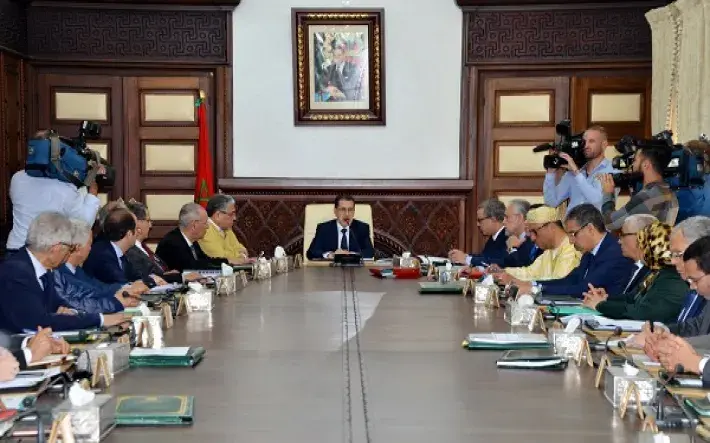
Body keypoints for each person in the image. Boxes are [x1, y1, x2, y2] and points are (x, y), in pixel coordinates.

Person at [0, 212, 129, 332]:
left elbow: (59, 305)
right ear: (56, 248)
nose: (69, 253)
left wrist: (71, 313)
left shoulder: (43, 269)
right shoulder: (17, 272)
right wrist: (100, 320)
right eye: (69, 247)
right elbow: (39, 321)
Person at [6, 132, 102, 255]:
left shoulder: (17, 178)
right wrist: (92, 191)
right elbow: (85, 222)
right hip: (42, 253)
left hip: (15, 248)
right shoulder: (65, 188)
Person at [516, 203, 635, 298]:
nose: (571, 241)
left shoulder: (614, 253)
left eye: (573, 234)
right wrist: (534, 284)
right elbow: (571, 280)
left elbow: (583, 289)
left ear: (590, 229)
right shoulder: (590, 252)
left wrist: (537, 289)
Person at [583, 221, 688, 324]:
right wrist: (605, 299)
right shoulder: (656, 272)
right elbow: (631, 298)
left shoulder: (672, 278)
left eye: (642, 244)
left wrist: (601, 305)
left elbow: (642, 312)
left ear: (653, 248)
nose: (639, 249)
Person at [491, 205, 581, 284]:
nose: (532, 238)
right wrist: (503, 272)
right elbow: (530, 273)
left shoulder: (572, 250)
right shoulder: (549, 251)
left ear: (551, 227)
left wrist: (519, 282)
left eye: (534, 231)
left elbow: (557, 283)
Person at [599, 145, 679, 230]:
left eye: (635, 160)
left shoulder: (646, 196)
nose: (632, 165)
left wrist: (608, 193)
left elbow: (610, 222)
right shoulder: (667, 190)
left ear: (646, 165)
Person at [543, 125, 617, 214]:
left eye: (591, 141)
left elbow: (598, 201)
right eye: (584, 142)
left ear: (604, 145)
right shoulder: (572, 172)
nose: (586, 145)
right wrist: (550, 172)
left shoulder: (612, 169)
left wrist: (576, 172)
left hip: (595, 223)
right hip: (570, 222)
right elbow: (551, 202)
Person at [156, 203, 233, 272]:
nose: (207, 226)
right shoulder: (172, 243)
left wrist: (228, 261)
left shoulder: (192, 241)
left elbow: (206, 261)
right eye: (205, 223)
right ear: (194, 225)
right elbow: (193, 268)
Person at [306, 195, 374, 260]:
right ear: (335, 211)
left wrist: (351, 254)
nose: (347, 214)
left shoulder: (362, 228)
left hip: (354, 267)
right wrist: (331, 255)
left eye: (350, 210)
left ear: (354, 211)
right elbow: (311, 252)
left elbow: (370, 252)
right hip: (330, 267)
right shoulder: (324, 228)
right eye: (343, 209)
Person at [448, 198, 508, 267]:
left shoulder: (508, 238)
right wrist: (464, 256)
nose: (478, 224)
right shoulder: (494, 237)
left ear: (493, 219)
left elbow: (499, 263)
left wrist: (467, 259)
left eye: (480, 220)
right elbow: (485, 257)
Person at [198, 194, 250, 264]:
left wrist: (239, 256)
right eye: (231, 214)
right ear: (218, 215)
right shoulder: (205, 230)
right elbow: (221, 258)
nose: (235, 218)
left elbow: (242, 250)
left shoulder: (227, 229)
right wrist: (239, 256)